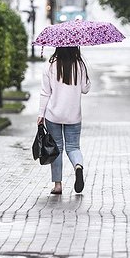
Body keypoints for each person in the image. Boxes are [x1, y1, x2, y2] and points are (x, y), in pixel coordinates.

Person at [37, 46, 91, 194]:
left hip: (53, 114)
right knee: (73, 147)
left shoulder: (50, 64)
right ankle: (78, 166)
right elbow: (85, 89)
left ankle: (58, 185)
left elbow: (45, 92)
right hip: (73, 115)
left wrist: (41, 114)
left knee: (57, 149)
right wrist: (85, 77)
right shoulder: (79, 64)